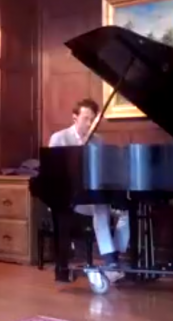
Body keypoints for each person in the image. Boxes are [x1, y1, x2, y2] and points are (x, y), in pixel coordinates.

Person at [48, 98, 130, 280]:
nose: (89, 123)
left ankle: (115, 254)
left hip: (93, 195)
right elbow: (54, 174)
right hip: (71, 198)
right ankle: (110, 260)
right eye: (85, 118)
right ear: (74, 118)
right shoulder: (59, 138)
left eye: (92, 120)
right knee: (101, 208)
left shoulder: (98, 141)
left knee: (126, 212)